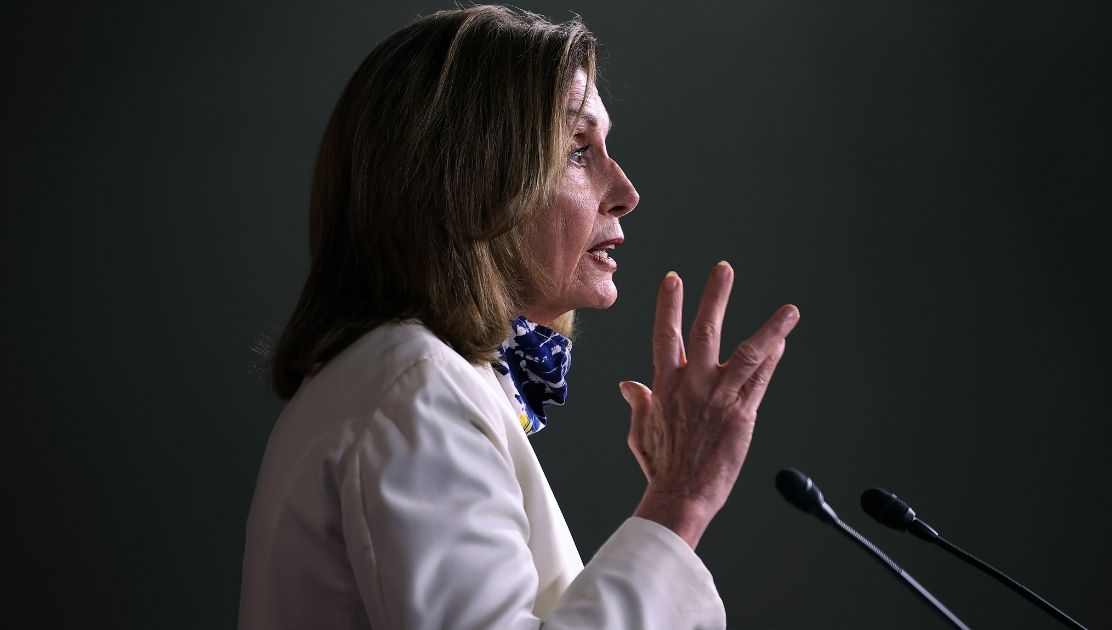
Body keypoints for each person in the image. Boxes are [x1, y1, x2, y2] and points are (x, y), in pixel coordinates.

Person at [239, 5, 799, 629]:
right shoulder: (415, 387)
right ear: (469, 179)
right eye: (579, 150)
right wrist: (682, 496)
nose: (626, 191)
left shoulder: (409, 376)